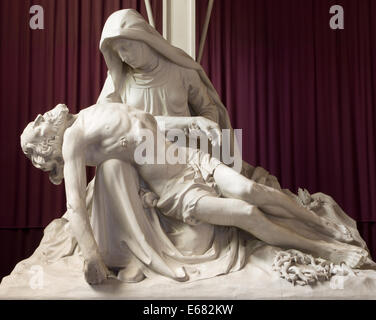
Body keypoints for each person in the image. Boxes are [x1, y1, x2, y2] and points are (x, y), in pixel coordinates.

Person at [20, 103, 369, 284]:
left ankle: (326, 227)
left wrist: (188, 123)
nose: (40, 116)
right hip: (178, 192)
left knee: (251, 189)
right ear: (45, 144)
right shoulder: (73, 142)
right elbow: (75, 205)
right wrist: (92, 257)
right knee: (247, 214)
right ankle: (326, 249)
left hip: (189, 158)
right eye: (36, 126)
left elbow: (145, 122)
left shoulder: (93, 111)